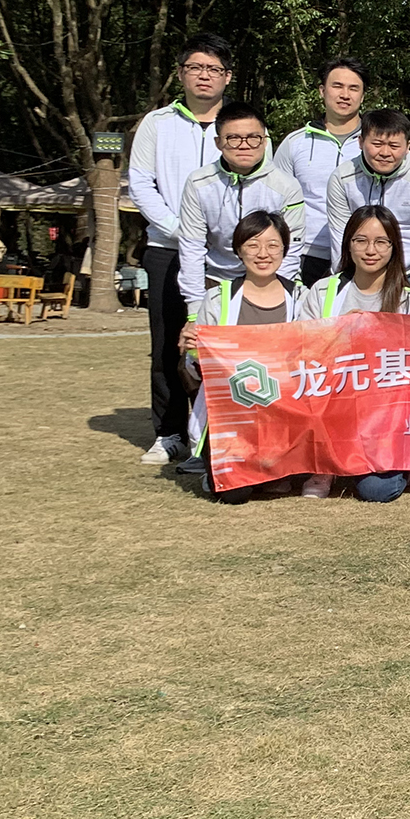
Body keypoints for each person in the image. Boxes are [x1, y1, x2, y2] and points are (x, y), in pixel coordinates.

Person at [130, 33, 231, 465]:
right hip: (167, 248)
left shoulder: (242, 125)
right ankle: (170, 432)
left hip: (226, 255)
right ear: (181, 73)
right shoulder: (157, 123)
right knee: (169, 342)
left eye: (213, 69)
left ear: (228, 77)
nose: (204, 76)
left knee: (223, 345)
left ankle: (219, 432)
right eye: (196, 67)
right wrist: (182, 230)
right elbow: (141, 184)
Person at [297, 205, 410, 501]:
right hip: (331, 404)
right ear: (348, 244)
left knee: (377, 491)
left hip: (384, 414)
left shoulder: (408, 300)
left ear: (394, 247)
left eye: (381, 242)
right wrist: (339, 332)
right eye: (361, 240)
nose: (371, 250)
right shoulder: (323, 291)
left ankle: (402, 466)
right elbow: (301, 349)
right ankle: (324, 465)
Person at [179, 210, 302, 503]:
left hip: (284, 413)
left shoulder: (302, 298)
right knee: (235, 492)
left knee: (278, 483)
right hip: (232, 417)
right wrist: (191, 350)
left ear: (285, 249)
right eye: (252, 245)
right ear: (238, 249)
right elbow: (195, 369)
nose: (263, 254)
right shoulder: (217, 299)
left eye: (273, 245)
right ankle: (218, 466)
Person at [176, 103, 307, 303]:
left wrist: (275, 294)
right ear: (218, 142)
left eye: (253, 138)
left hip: (272, 282)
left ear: (264, 141)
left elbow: (290, 250)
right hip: (217, 281)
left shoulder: (287, 186)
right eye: (233, 138)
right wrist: (195, 304)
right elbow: (191, 247)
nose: (244, 145)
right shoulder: (198, 183)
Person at [324, 109, 410, 304]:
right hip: (356, 277)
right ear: (360, 142)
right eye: (377, 144)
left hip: (407, 277)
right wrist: (342, 285)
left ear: (407, 146)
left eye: (394, 146)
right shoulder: (341, 178)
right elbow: (339, 236)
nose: (385, 153)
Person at [272, 57, 366, 287]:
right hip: (304, 254)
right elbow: (275, 201)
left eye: (354, 88)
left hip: (363, 255)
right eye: (337, 86)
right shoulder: (295, 142)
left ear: (363, 96)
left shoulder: (378, 145)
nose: (345, 95)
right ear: (322, 91)